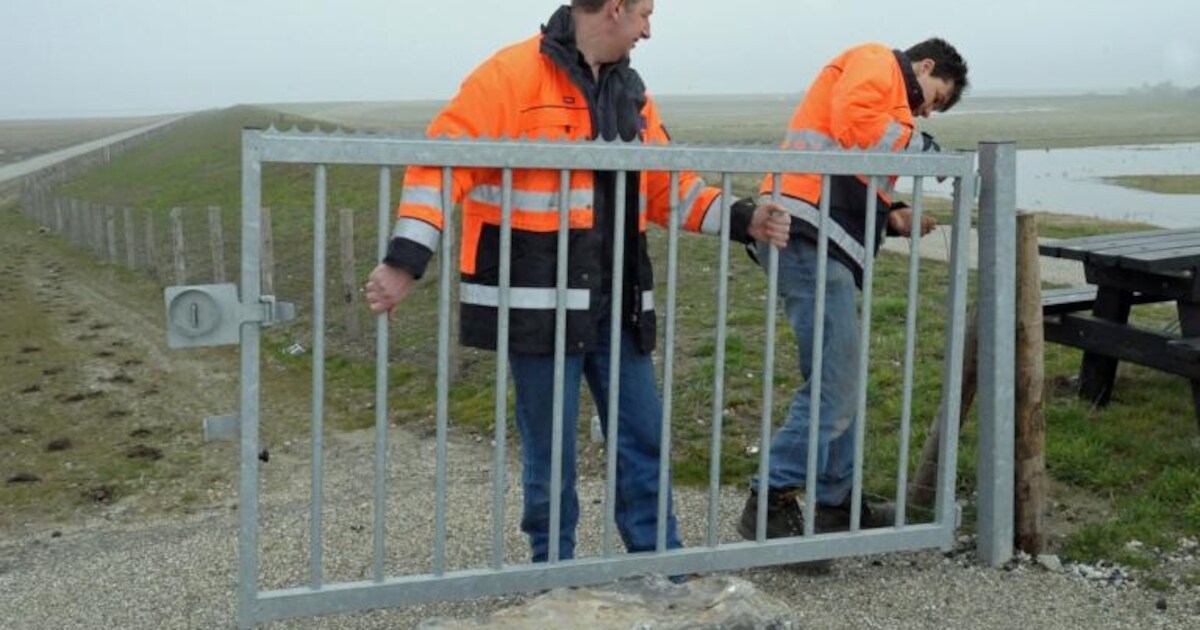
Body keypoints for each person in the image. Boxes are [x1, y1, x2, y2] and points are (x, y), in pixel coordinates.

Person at [366, 0, 790, 563]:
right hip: (538, 306)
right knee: (551, 453)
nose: (648, 30)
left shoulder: (632, 93)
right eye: (644, 14)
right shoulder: (508, 77)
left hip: (617, 306)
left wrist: (744, 219)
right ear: (614, 9)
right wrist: (404, 261)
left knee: (643, 440)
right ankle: (552, 571)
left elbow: (668, 188)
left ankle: (661, 565)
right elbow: (440, 168)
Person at [738, 38, 969, 541]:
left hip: (817, 235)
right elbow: (857, 125)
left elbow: (851, 160)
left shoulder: (887, 92)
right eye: (936, 97)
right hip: (806, 234)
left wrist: (892, 215)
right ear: (924, 65)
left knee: (837, 379)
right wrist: (927, 151)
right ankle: (770, 498)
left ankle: (837, 504)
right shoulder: (876, 60)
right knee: (836, 384)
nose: (927, 112)